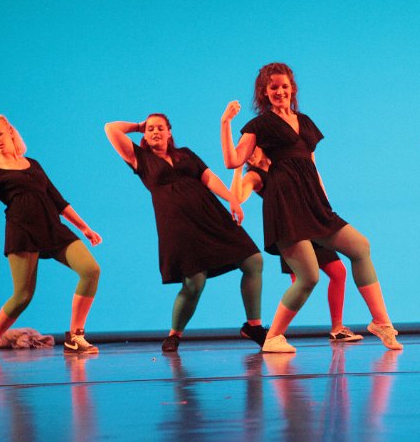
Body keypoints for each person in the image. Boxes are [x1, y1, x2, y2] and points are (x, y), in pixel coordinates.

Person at [220, 62, 401, 353]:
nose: (280, 91)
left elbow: (312, 165)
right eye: (273, 87)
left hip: (313, 203)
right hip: (285, 206)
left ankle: (381, 322)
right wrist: (225, 123)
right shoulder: (259, 125)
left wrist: (324, 202)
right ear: (264, 92)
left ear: (292, 88)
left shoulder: (305, 121)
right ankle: (273, 337)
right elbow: (232, 160)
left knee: (360, 247)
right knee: (309, 277)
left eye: (284, 86)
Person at [104, 114, 265, 352]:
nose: (155, 132)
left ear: (169, 132)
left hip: (210, 216)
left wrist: (231, 198)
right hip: (178, 225)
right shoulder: (141, 159)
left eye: (160, 128)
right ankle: (174, 335)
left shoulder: (186, 154)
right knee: (194, 283)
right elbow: (111, 128)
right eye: (151, 129)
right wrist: (139, 127)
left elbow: (208, 177)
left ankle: (254, 326)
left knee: (253, 261)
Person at [0, 115, 102, 358]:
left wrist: (85, 228)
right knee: (23, 296)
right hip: (22, 233)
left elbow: (58, 200)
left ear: (10, 133)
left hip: (52, 228)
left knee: (91, 270)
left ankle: (75, 336)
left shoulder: (33, 164)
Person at [232, 146, 363, 342]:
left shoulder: (283, 162)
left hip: (310, 223)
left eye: (251, 149)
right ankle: (272, 334)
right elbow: (239, 197)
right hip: (291, 230)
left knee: (338, 272)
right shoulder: (255, 176)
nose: (249, 156)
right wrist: (237, 168)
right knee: (302, 284)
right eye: (245, 155)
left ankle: (337, 328)